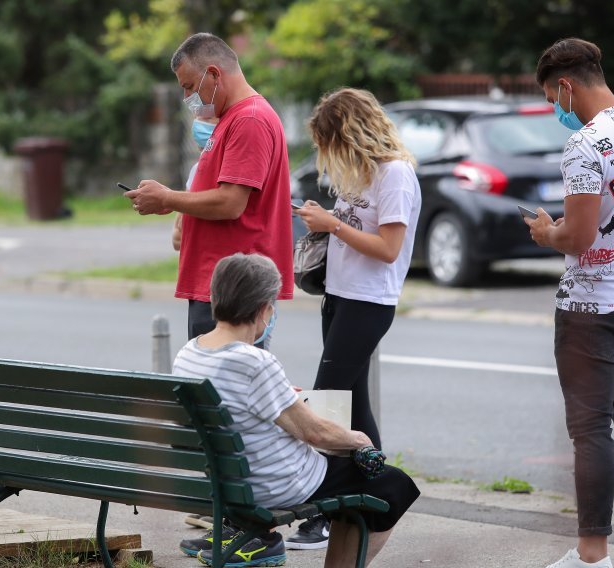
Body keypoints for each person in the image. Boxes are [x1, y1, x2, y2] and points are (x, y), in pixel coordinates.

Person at [173, 252, 420, 568]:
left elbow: (236, 404)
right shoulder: (256, 362)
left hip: (224, 481)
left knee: (355, 485)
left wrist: (281, 396)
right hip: (275, 484)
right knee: (391, 485)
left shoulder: (189, 354)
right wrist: (359, 440)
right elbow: (315, 433)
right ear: (264, 309)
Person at [527, 38, 614, 568]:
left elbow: (581, 238)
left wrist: (548, 233)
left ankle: (592, 556)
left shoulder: (584, 145)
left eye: (550, 98)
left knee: (590, 430)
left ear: (566, 85)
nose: (554, 110)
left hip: (591, 306)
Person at [294, 87, 422, 549]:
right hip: (341, 294)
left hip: (370, 300)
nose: (329, 158)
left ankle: (337, 509)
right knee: (353, 404)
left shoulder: (395, 175)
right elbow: (354, 231)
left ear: (350, 135)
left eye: (330, 146)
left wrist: (333, 225)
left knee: (328, 399)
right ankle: (374, 494)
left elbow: (388, 250)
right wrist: (327, 218)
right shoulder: (363, 173)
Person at [126, 32, 293, 345]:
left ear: (215, 74)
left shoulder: (249, 120)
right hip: (219, 285)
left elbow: (231, 203)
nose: (188, 96)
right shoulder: (232, 118)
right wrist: (176, 203)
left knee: (224, 392)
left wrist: (168, 196)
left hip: (234, 291)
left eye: (190, 86)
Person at [172, 116, 219, 253]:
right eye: (197, 115)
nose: (199, 121)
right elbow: (177, 237)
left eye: (208, 117)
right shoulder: (196, 170)